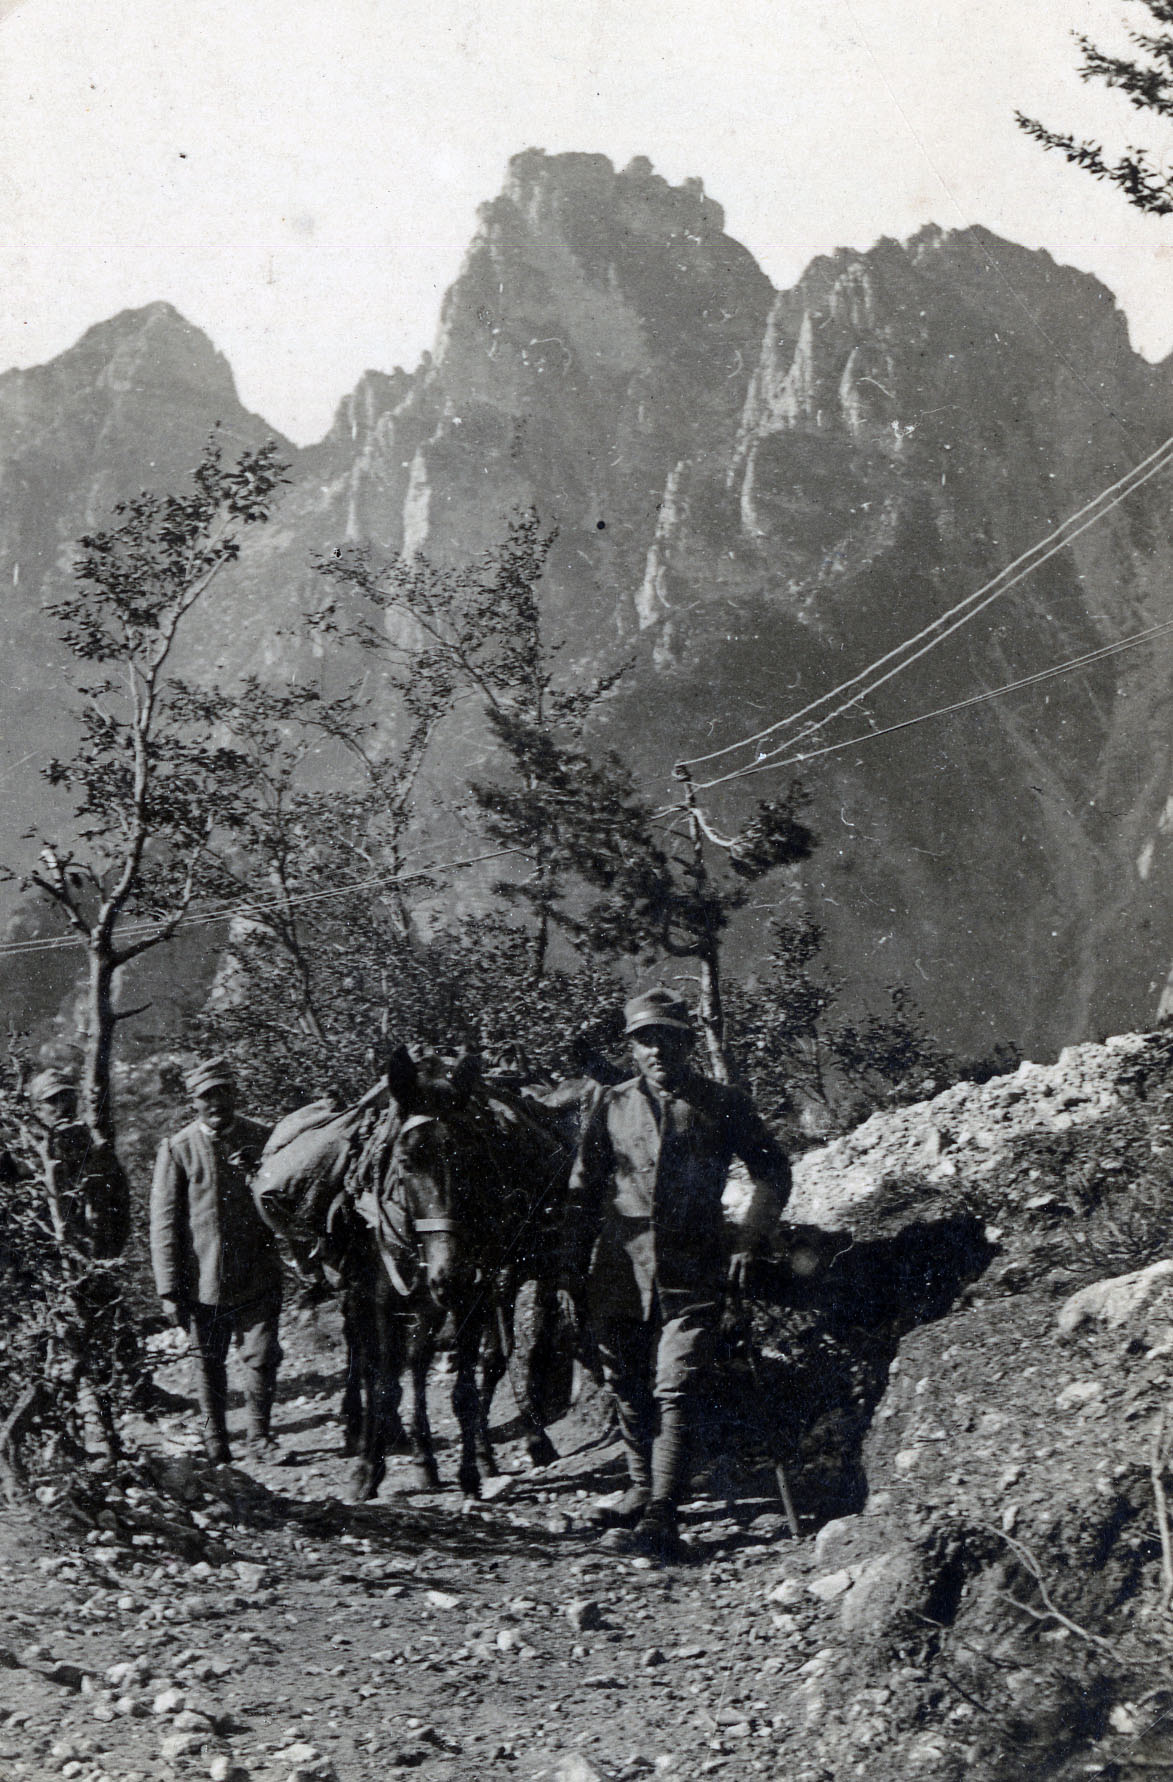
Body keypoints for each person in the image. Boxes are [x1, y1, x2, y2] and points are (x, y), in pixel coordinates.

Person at [563, 988, 791, 1560]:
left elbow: (772, 1171)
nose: (657, 1050)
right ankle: (643, 1487)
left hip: (694, 1263)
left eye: (668, 1037)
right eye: (645, 1039)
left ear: (686, 1043)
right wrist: (571, 1263)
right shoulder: (609, 1104)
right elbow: (582, 1188)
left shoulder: (722, 1102)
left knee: (677, 1382)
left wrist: (749, 1235)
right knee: (626, 1384)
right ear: (633, 1048)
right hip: (619, 1267)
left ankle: (663, 1515)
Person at [150, 1057, 283, 1464]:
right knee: (207, 1364)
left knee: (262, 1356)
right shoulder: (178, 1148)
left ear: (235, 1093)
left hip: (257, 1273)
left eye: (224, 1092)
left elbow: (285, 1200)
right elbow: (164, 1222)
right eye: (208, 1095)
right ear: (194, 1101)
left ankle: (260, 1440)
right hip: (201, 1280)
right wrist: (169, 1289)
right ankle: (214, 1442)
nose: (217, 1102)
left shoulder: (264, 1137)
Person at [18, 1068, 134, 1458]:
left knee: (100, 1353)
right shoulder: (23, 1153)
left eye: (65, 1096)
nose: (60, 1106)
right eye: (51, 1100)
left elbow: (120, 1201)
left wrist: (108, 1255)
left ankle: (108, 1436)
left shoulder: (93, 1146)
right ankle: (58, 1442)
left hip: (93, 1266)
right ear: (35, 1108)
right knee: (47, 1357)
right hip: (46, 1276)